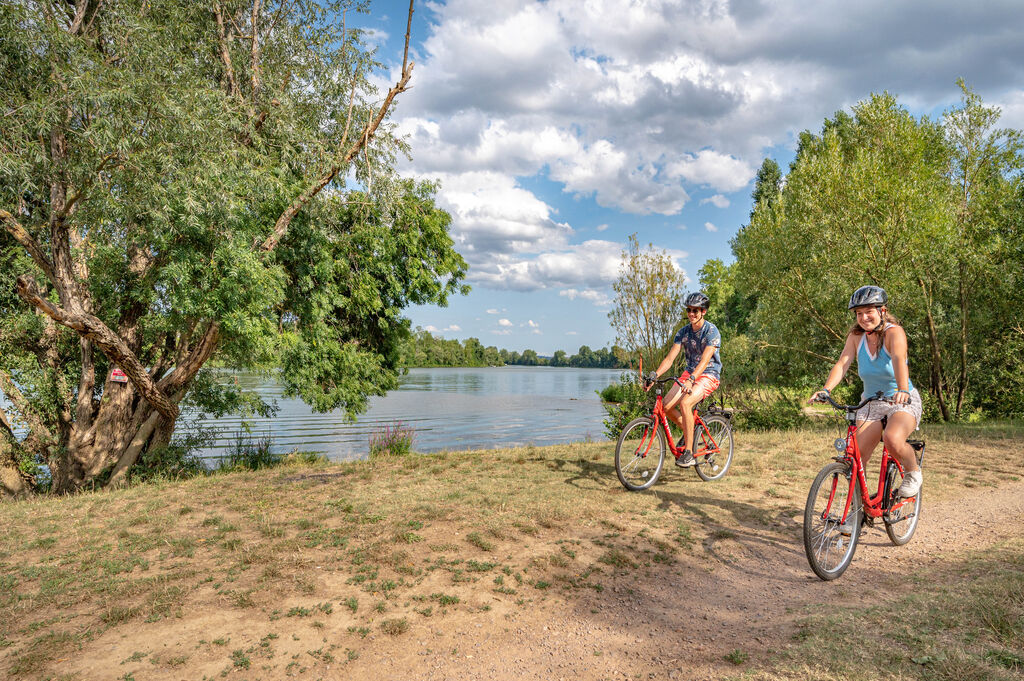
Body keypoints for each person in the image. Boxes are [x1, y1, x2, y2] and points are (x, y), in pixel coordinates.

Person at [809, 286, 923, 531]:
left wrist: (902, 389)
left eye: (869, 312)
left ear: (882, 311)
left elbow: (899, 360)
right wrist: (826, 389)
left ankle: (913, 472)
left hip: (900, 399)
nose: (864, 318)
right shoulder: (856, 337)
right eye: (859, 313)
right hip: (871, 402)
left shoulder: (895, 333)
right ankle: (856, 513)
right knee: (855, 458)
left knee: (892, 439)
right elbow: (843, 363)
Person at [647, 291, 722, 467]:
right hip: (689, 374)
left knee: (686, 403)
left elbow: (705, 361)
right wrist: (654, 375)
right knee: (665, 406)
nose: (691, 314)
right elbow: (670, 358)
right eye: (689, 310)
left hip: (708, 374)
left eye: (695, 310)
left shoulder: (712, 331)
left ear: (703, 311)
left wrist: (692, 379)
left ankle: (689, 452)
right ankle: (692, 432)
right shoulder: (683, 332)